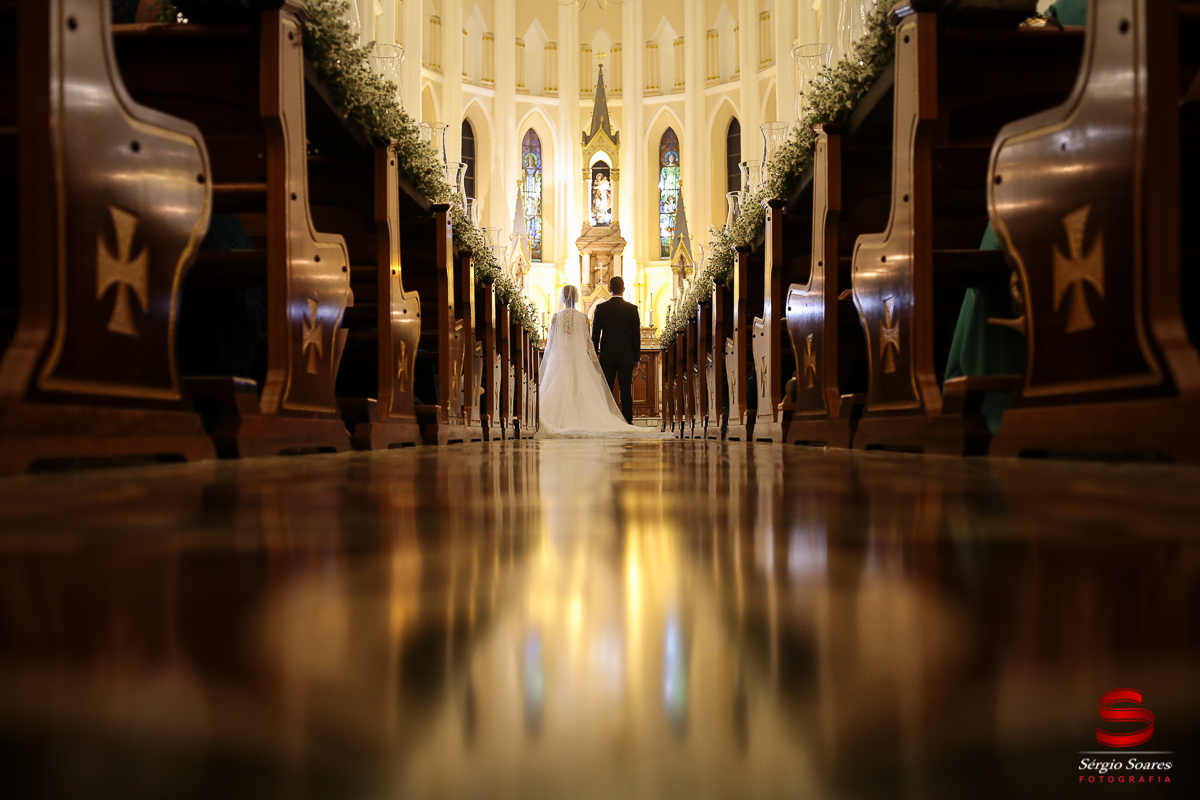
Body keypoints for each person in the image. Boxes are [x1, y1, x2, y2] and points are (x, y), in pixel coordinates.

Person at [537, 286, 656, 438]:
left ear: (563, 299)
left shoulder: (555, 318)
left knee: (560, 385)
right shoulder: (582, 318)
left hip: (562, 357)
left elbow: (551, 343)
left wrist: (551, 361)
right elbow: (588, 343)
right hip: (578, 358)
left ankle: (559, 418)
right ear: (577, 298)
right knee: (581, 388)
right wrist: (594, 362)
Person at [591, 276, 641, 424]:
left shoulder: (601, 308)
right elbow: (636, 336)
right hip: (626, 356)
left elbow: (595, 334)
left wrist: (594, 354)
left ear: (609, 289)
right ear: (624, 290)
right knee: (626, 389)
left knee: (607, 390)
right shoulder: (632, 309)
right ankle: (627, 421)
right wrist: (636, 358)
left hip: (607, 355)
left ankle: (607, 421)